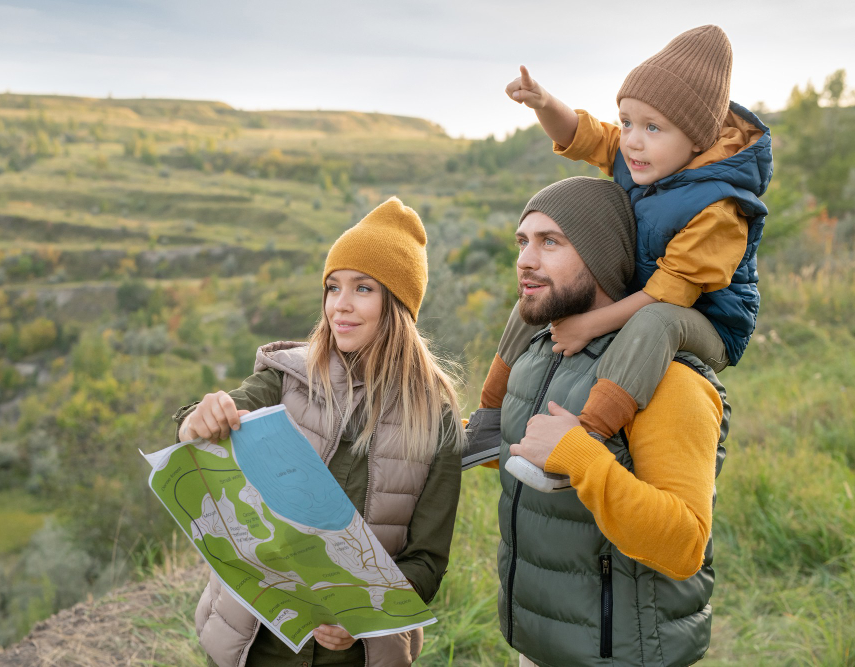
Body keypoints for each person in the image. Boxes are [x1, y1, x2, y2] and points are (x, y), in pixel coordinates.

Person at [173, 197, 465, 667]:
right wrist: (198, 418)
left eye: (363, 288)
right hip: (251, 647)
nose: (340, 306)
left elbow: (427, 563)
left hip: (354, 658)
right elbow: (213, 421)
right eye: (333, 287)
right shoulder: (285, 376)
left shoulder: (435, 422)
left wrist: (362, 613)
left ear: (398, 304)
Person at [489, 24, 770, 444]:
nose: (633, 142)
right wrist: (544, 103)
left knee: (658, 322)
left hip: (706, 320)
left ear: (696, 139)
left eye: (652, 128)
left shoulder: (720, 209)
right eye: (627, 122)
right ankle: (489, 418)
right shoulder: (643, 157)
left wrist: (589, 325)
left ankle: (586, 435)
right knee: (540, 292)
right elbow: (580, 135)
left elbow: (670, 295)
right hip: (643, 294)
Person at [492, 177, 729, 666]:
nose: (525, 260)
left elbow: (683, 546)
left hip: (619, 652)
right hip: (537, 643)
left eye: (550, 241)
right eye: (523, 241)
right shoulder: (540, 353)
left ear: (602, 255)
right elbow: (519, 461)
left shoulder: (669, 379)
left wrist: (580, 458)